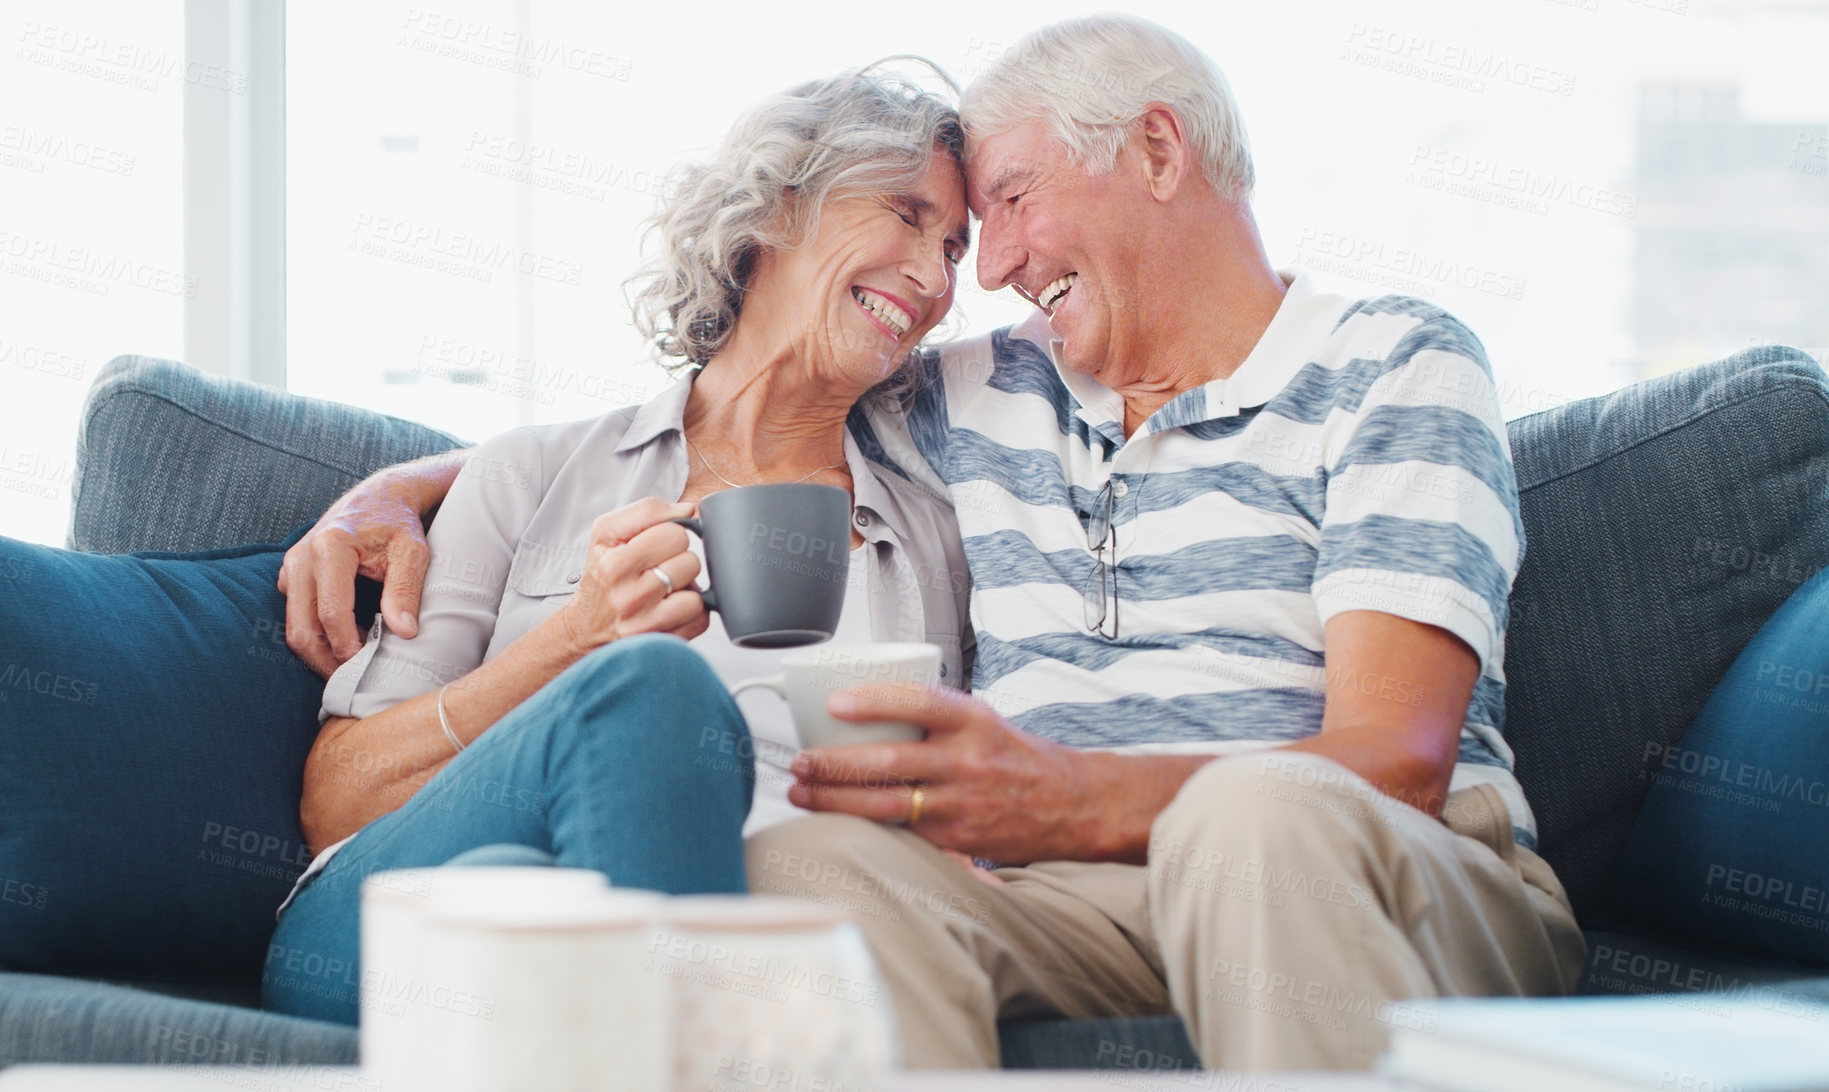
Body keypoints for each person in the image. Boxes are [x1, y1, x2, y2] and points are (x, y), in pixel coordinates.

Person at [281, 16, 1585, 1071]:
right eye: (936, 223)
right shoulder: (989, 393)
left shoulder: (1388, 365)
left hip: (1351, 863)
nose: (984, 266)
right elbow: (733, 401)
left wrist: (1061, 797)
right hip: (1082, 897)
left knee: (1252, 813)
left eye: (992, 212)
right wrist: (382, 492)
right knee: (809, 865)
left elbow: (1398, 760)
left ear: (1157, 149)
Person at [261, 64, 974, 1026]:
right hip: (388, 918)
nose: (934, 280)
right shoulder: (531, 475)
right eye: (905, 214)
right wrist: (576, 643)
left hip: (698, 932)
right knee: (646, 693)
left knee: (525, 906)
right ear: (777, 207)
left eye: (956, 250)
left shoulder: (929, 539)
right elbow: (336, 806)